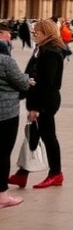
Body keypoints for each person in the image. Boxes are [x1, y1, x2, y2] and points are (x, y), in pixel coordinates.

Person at [8, 20, 67, 189]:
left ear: (46, 33)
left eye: (36, 32)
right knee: (34, 134)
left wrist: (36, 107)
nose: (33, 35)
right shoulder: (41, 49)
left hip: (45, 101)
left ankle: (56, 173)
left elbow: (46, 83)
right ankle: (22, 174)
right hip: (41, 99)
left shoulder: (50, 52)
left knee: (48, 137)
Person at [1, 52, 31, 208]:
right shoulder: (5, 61)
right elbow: (22, 83)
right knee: (3, 153)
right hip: (5, 113)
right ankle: (1, 195)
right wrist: (27, 79)